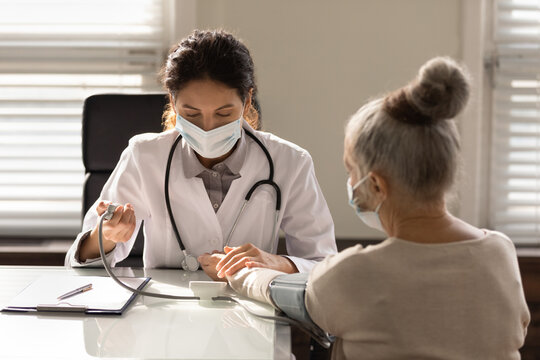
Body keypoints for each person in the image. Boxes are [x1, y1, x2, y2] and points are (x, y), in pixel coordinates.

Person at [227, 57, 530, 359]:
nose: (350, 182)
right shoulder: (499, 253)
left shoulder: (357, 274)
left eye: (351, 172)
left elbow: (283, 292)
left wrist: (242, 271)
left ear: (376, 186)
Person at [65, 29, 337, 280]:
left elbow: (324, 264)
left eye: (223, 114)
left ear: (247, 101)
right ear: (173, 102)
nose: (207, 128)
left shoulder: (290, 162)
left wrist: (276, 263)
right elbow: (80, 265)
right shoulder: (144, 156)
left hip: (250, 314)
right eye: (192, 114)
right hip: (164, 318)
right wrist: (107, 236)